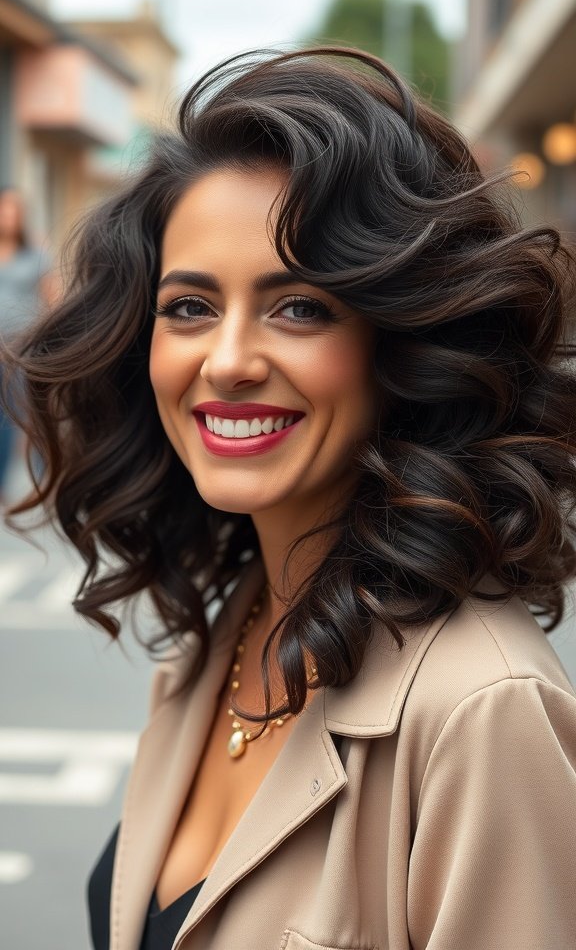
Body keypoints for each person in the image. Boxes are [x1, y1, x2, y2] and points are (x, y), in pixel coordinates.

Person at [4, 46, 576, 950]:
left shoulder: (481, 711)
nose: (227, 361)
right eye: (189, 306)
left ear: (403, 342)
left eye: (300, 307)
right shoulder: (228, 632)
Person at [0, 187, 54, 500]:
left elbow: (51, 298)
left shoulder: (34, 253)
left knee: (33, 415)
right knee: (3, 419)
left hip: (22, 348)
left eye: (14, 210)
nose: (8, 216)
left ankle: (48, 476)